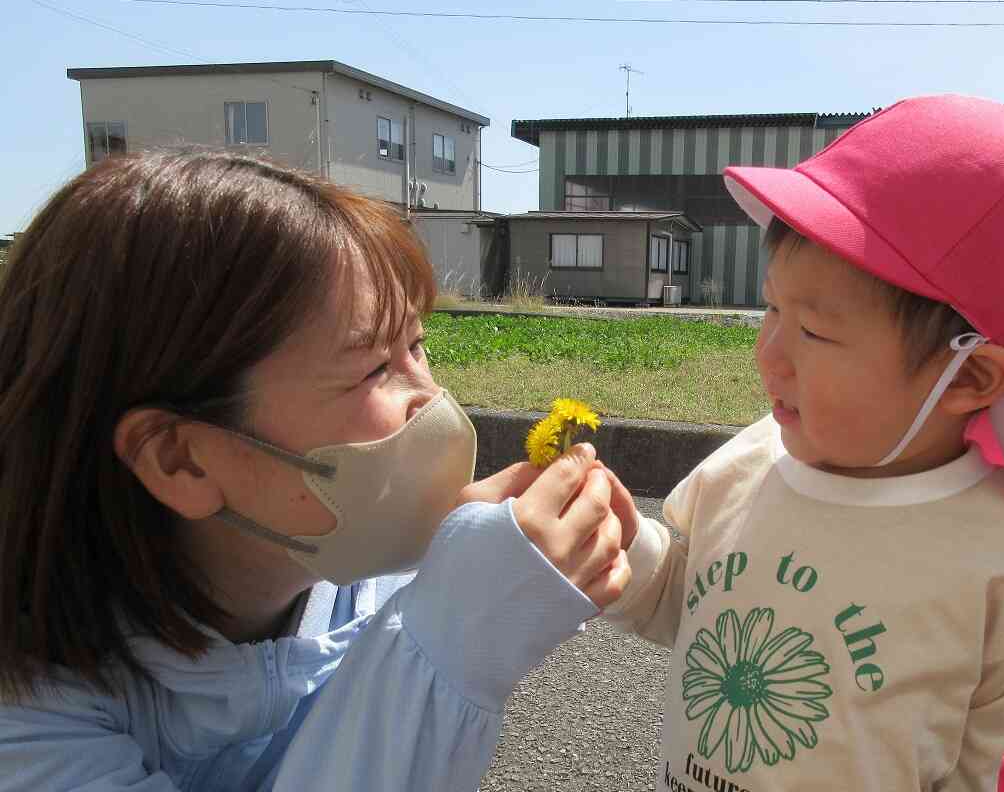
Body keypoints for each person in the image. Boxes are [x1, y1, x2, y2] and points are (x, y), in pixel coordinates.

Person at [0, 150, 635, 790]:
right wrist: (449, 648)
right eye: (372, 369)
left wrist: (464, 571)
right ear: (181, 459)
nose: (431, 397)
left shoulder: (368, 578)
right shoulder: (27, 719)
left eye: (415, 344)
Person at [605, 95, 1004, 790]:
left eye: (814, 331)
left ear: (968, 373)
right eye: (771, 308)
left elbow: (981, 761)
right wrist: (617, 549)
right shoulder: (745, 466)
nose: (768, 354)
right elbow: (682, 599)